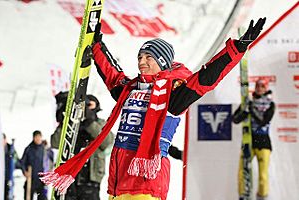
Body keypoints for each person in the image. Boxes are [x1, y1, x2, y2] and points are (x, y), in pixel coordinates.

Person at [39, 18, 266, 200]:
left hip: (146, 185)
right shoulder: (130, 90)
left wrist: (237, 48)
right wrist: (97, 45)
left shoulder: (173, 94)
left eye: (149, 57)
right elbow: (112, 75)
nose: (141, 61)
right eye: (140, 56)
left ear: (163, 62)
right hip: (118, 182)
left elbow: (207, 77)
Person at [50, 92, 114, 200]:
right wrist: (65, 123)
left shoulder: (101, 124)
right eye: (85, 105)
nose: (86, 108)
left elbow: (106, 141)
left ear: (97, 107)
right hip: (70, 175)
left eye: (90, 105)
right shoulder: (72, 124)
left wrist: (89, 122)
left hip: (91, 177)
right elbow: (55, 143)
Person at [232, 78, 275, 200]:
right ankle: (243, 196)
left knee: (263, 176)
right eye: (257, 86)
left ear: (266, 88)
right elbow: (235, 119)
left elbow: (263, 121)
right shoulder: (248, 103)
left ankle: (262, 197)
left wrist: (251, 110)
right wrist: (244, 112)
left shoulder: (270, 104)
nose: (259, 88)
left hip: (263, 143)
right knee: (242, 173)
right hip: (248, 142)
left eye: (262, 86)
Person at [21, 130, 49, 200]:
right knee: (28, 197)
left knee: (43, 197)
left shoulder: (44, 149)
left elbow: (48, 163)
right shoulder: (29, 149)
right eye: (36, 137)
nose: (38, 139)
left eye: (39, 137)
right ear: (33, 138)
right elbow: (22, 162)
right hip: (31, 178)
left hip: (41, 180)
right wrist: (25, 172)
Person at [3, 133, 21, 200]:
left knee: (8, 195)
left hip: (8, 178)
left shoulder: (11, 149)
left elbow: (18, 162)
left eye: (3, 139)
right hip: (1, 178)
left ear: (5, 139)